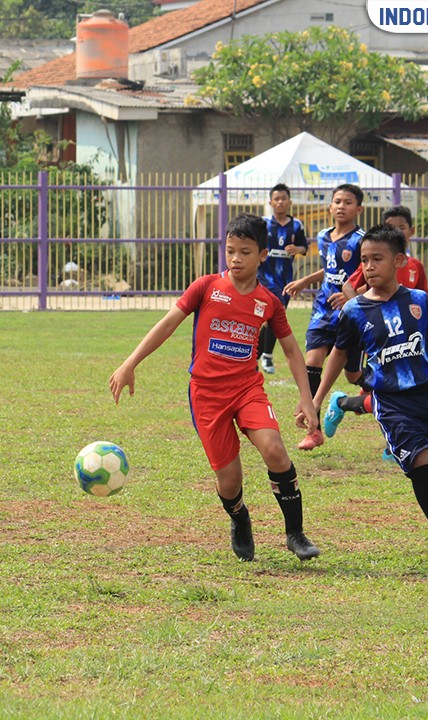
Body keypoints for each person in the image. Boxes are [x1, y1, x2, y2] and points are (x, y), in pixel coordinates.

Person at [110, 213, 322, 563]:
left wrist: (306, 398)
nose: (236, 258)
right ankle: (240, 519)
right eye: (230, 250)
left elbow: (291, 349)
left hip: (247, 388)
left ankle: (295, 533)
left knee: (275, 451)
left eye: (245, 252)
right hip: (207, 395)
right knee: (229, 478)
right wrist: (130, 363)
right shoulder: (206, 287)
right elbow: (166, 324)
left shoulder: (268, 302)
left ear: (263, 256)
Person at [303, 223, 428, 565]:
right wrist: (315, 400)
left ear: (398, 260)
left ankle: (420, 446)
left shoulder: (420, 302)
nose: (368, 267)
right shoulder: (353, 311)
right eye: (364, 260)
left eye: (376, 259)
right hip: (392, 402)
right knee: (420, 465)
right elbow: (338, 353)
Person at [322, 205, 427, 442]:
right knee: (391, 389)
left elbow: (422, 298)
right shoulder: (372, 261)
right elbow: (349, 285)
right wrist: (364, 311)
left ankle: (346, 402)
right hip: (379, 334)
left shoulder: (415, 266)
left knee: (410, 389)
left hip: (408, 337)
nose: (396, 231)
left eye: (401, 228)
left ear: (410, 231)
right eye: (391, 228)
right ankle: (392, 439)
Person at [282, 184, 367, 451]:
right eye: (337, 201)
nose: (341, 206)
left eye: (348, 202)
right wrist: (305, 280)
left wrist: (353, 296)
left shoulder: (362, 240)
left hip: (350, 313)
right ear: (330, 206)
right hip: (322, 308)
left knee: (352, 374)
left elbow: (373, 277)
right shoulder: (323, 236)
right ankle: (314, 430)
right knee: (313, 361)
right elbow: (329, 269)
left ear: (359, 209)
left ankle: (371, 388)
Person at [257, 183, 309, 375]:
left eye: (283, 198)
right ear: (270, 202)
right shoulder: (263, 224)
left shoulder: (297, 225)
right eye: (276, 199)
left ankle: (262, 354)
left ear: (290, 202)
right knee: (268, 313)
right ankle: (263, 355)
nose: (280, 202)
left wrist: (298, 249)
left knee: (272, 317)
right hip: (264, 278)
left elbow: (305, 246)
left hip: (286, 280)